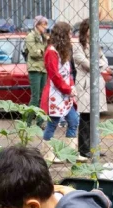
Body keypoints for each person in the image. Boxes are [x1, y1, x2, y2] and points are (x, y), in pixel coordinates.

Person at [40, 21, 78, 163]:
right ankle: (47, 154)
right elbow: (55, 75)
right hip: (55, 94)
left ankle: (70, 154)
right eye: (69, 33)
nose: (70, 35)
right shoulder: (51, 51)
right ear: (63, 34)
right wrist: (68, 89)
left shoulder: (63, 50)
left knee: (73, 120)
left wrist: (71, 87)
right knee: (53, 123)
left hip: (66, 93)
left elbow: (68, 73)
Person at [73, 18, 109, 161]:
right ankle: (83, 149)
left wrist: (97, 64)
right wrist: (98, 64)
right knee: (85, 118)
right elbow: (87, 65)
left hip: (97, 84)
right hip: (85, 84)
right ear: (85, 30)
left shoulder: (96, 45)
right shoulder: (77, 46)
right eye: (91, 28)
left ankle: (94, 148)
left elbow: (105, 62)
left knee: (95, 118)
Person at [25, 16, 49, 114]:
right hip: (34, 69)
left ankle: (40, 122)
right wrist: (43, 51)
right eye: (44, 25)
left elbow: (45, 52)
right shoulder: (30, 36)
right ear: (37, 25)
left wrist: (41, 51)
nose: (45, 28)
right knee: (35, 97)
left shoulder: (43, 37)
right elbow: (34, 53)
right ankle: (27, 122)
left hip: (43, 69)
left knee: (43, 97)